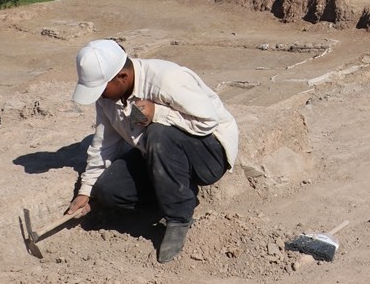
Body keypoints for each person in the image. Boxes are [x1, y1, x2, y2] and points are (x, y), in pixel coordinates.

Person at [65, 39, 239, 263]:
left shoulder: (167, 79)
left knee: (158, 133)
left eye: (101, 88)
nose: (99, 95)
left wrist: (158, 113)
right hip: (158, 154)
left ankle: (178, 218)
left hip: (209, 152)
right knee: (109, 189)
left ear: (123, 77)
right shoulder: (108, 99)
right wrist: (86, 190)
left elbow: (207, 122)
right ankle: (174, 193)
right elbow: (104, 144)